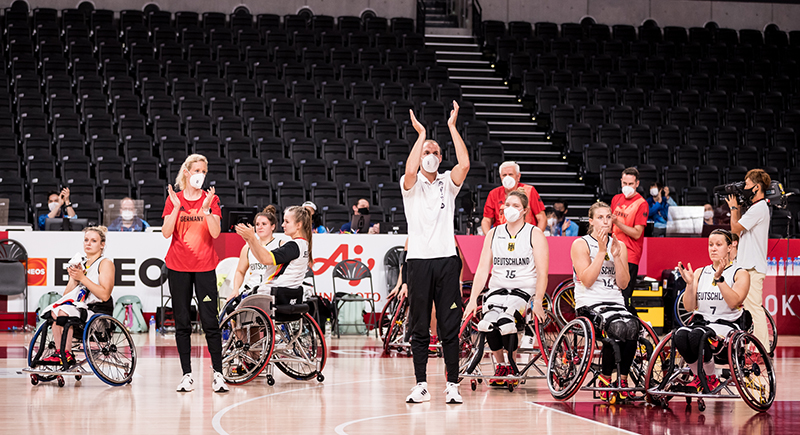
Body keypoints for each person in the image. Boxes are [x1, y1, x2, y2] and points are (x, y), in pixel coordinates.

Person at [402, 101, 468, 404]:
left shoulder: (447, 183)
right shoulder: (410, 185)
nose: (430, 156)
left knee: (449, 325)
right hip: (417, 262)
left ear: (441, 159)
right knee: (419, 326)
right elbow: (409, 169)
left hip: (446, 261)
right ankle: (420, 384)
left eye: (434, 153)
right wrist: (422, 136)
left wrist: (452, 127)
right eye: (426, 153)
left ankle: (452, 384)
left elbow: (464, 165)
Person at [463, 189, 549, 387]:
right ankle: (501, 365)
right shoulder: (493, 233)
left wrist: (538, 301)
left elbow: (543, 272)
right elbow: (483, 269)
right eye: (507, 205)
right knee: (486, 323)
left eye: (516, 206)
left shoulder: (534, 234)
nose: (510, 209)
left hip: (523, 292)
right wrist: (474, 299)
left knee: (505, 322)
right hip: (497, 290)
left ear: (525, 210)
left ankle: (511, 365)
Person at [162, 154, 228, 393]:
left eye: (203, 171)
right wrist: (177, 208)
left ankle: (218, 374)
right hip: (178, 267)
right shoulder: (174, 199)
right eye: (196, 170)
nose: (200, 174)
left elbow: (215, 233)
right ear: (187, 172)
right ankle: (186, 375)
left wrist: (207, 208)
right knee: (182, 323)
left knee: (210, 321)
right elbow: (166, 233)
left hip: (205, 267)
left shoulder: (212, 199)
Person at [571, 202, 637, 401]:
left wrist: (616, 257)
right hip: (588, 302)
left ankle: (623, 380)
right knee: (615, 327)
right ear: (591, 221)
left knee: (633, 325)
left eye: (608, 217)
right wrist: (601, 252)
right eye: (600, 217)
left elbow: (624, 284)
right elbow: (588, 280)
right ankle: (605, 378)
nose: (605, 221)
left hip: (615, 302)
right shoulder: (580, 244)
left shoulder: (620, 245)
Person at [674, 229, 750, 391]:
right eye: (710, 245)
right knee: (680, 335)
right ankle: (701, 377)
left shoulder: (740, 273)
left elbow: (733, 302)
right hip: (701, 324)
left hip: (726, 326)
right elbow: (688, 307)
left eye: (718, 244)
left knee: (698, 335)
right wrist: (689, 284)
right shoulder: (700, 272)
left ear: (730, 247)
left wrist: (719, 279)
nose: (713, 248)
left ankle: (708, 378)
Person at [39, 226, 115, 365]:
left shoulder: (105, 263)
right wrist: (74, 278)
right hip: (79, 307)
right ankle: (60, 352)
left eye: (93, 240)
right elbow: (67, 296)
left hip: (97, 310)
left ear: (102, 245)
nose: (88, 243)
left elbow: (105, 295)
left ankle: (65, 354)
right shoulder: (82, 264)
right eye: (86, 240)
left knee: (63, 311)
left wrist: (83, 278)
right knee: (55, 311)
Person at [726, 169, 771, 348]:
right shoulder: (755, 208)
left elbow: (735, 228)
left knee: (754, 309)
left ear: (757, 187)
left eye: (747, 184)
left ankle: (762, 349)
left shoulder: (759, 208)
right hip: (746, 266)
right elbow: (737, 231)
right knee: (745, 309)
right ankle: (750, 346)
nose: (744, 187)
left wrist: (733, 207)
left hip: (752, 267)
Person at [232, 205, 312, 297]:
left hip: (272, 294)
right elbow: (240, 271)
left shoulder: (292, 246)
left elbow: (265, 259)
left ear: (298, 225)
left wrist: (252, 238)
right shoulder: (303, 244)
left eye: (287, 222)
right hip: (282, 294)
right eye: (257, 224)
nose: (283, 225)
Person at [610, 167, 649, 314]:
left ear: (637, 183)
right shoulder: (616, 199)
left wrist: (618, 223)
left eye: (630, 184)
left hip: (630, 255)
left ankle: (639, 327)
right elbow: (610, 226)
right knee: (613, 294)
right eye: (624, 183)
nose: (627, 187)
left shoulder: (641, 203)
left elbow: (637, 233)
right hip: (614, 252)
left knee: (625, 297)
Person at [227, 205, 282, 301]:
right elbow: (240, 271)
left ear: (272, 226)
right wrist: (235, 289)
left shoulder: (280, 245)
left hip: (272, 292)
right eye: (257, 224)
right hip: (251, 291)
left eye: (264, 224)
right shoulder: (247, 247)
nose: (260, 227)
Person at [481, 161, 546, 234]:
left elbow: (541, 218)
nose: (507, 178)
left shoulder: (529, 191)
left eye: (510, 174)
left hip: (526, 236)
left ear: (518, 176)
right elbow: (487, 220)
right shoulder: (494, 194)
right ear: (500, 177)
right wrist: (489, 238)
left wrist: (535, 237)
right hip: (502, 237)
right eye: (504, 175)